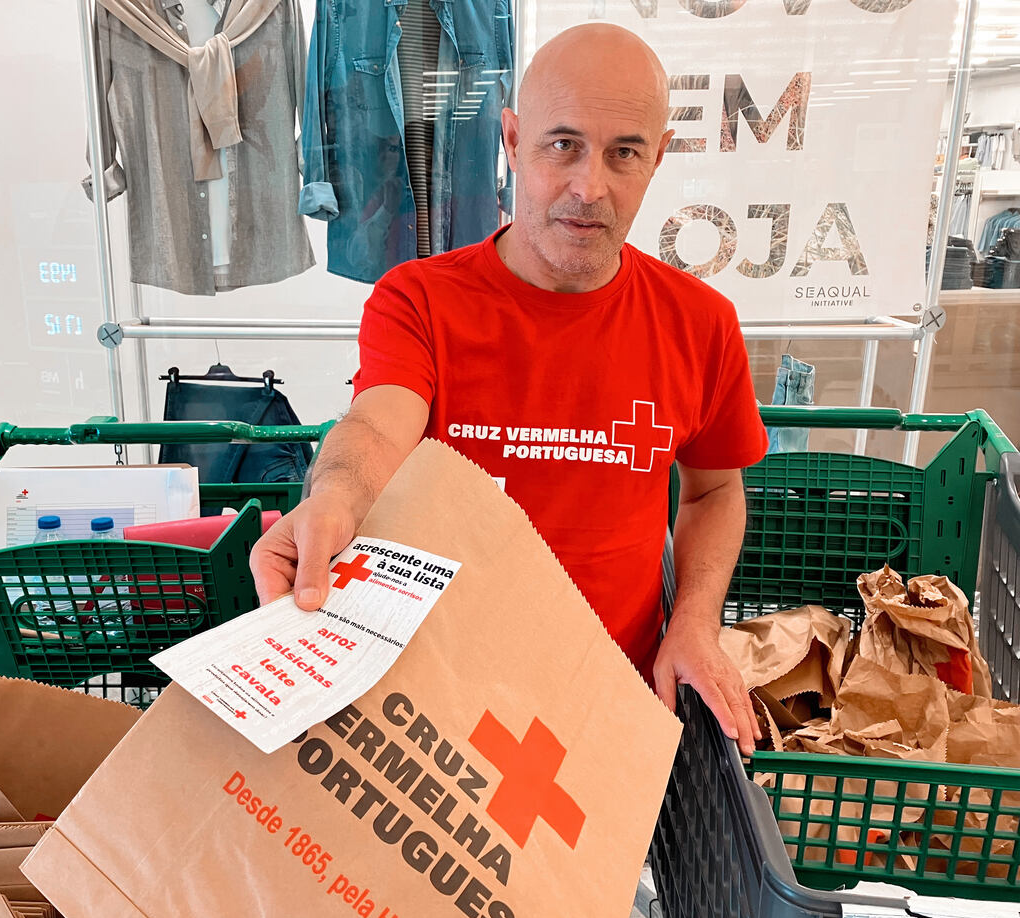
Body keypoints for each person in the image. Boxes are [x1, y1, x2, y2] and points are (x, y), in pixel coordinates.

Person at [251, 23, 767, 755]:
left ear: (657, 159)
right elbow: (376, 425)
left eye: (624, 153)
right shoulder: (420, 301)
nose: (589, 187)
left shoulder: (701, 323)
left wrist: (695, 623)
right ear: (513, 141)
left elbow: (714, 493)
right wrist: (333, 498)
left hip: (608, 709)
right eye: (563, 145)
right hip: (431, 710)